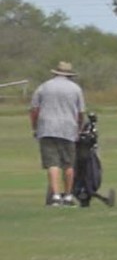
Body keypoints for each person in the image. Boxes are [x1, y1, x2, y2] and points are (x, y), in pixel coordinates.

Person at [29, 61, 86, 207]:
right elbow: (80, 113)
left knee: (52, 163)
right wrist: (79, 128)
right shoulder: (75, 89)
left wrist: (35, 127)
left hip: (47, 128)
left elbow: (34, 109)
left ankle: (55, 195)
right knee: (68, 164)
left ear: (55, 73)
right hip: (68, 128)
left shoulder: (44, 86)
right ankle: (67, 196)